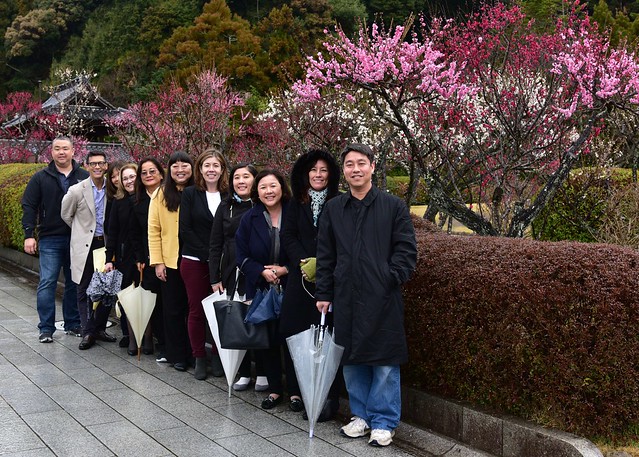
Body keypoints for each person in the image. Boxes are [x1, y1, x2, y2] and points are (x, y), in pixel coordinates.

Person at [315, 143, 417, 447]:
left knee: (384, 360)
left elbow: (406, 250)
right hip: (345, 295)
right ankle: (360, 415)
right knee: (352, 359)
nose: (355, 169)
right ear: (343, 171)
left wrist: (389, 277)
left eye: (361, 163)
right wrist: (324, 292)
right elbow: (325, 254)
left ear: (372, 167)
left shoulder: (393, 206)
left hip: (382, 296)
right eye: (349, 164)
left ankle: (384, 421)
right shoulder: (334, 208)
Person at [281, 149, 342, 418]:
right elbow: (288, 236)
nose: (318, 175)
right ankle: (303, 392)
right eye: (313, 170)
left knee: (328, 337)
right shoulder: (296, 203)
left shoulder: (340, 201)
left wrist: (323, 264)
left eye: (324, 170)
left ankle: (329, 398)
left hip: (331, 279)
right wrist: (303, 262)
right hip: (301, 279)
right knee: (298, 334)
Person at [21, 136, 89, 343]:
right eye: (57, 149)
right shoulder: (40, 177)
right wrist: (28, 235)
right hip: (50, 238)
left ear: (73, 151)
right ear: (51, 152)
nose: (61, 152)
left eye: (65, 149)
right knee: (47, 282)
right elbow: (29, 206)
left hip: (77, 239)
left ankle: (73, 323)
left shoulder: (84, 176)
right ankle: (46, 328)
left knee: (74, 282)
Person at [208, 163, 267, 391]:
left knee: (258, 318)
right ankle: (243, 371)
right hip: (231, 270)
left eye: (246, 177)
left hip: (257, 268)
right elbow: (215, 244)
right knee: (237, 320)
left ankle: (261, 370)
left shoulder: (262, 205)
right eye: (236, 177)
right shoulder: (226, 206)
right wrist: (215, 277)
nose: (241, 181)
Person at [236, 169, 291, 410]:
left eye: (273, 186)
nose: (268, 191)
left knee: (290, 339)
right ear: (257, 191)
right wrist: (262, 271)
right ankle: (275, 390)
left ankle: (296, 392)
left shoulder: (295, 213)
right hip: (260, 288)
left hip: (292, 286)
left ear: (282, 187)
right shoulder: (251, 217)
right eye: (263, 187)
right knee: (266, 340)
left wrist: (285, 269)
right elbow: (241, 255)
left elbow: (307, 248)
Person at [179, 149, 228, 380]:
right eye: (207, 165)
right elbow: (185, 229)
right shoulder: (190, 194)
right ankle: (199, 355)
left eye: (216, 165)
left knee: (219, 311)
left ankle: (218, 355)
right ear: (200, 169)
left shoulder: (229, 195)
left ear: (222, 170)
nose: (211, 169)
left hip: (223, 264)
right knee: (196, 310)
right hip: (195, 261)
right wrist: (209, 255)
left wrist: (217, 259)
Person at [61, 151, 118, 350]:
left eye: (100, 163)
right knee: (84, 287)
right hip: (85, 245)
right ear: (86, 165)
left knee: (107, 288)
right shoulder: (77, 190)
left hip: (106, 245)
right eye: (92, 163)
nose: (97, 167)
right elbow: (66, 215)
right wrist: (81, 232)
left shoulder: (113, 189)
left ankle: (99, 328)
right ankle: (87, 332)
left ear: (106, 165)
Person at [148, 151, 194, 371]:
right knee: (173, 310)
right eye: (174, 166)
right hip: (170, 260)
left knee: (194, 310)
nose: (180, 169)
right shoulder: (160, 194)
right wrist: (158, 261)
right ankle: (178, 355)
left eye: (184, 165)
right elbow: (153, 230)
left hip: (195, 259)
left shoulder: (199, 192)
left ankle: (196, 353)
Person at [104, 163, 144, 356]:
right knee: (126, 296)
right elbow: (112, 232)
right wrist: (108, 258)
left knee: (145, 295)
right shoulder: (118, 202)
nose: (129, 181)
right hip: (123, 256)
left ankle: (144, 336)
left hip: (144, 255)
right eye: (125, 178)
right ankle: (129, 336)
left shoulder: (146, 198)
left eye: (132, 177)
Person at [130, 157, 166, 362]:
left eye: (152, 171)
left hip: (171, 256)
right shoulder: (136, 201)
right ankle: (161, 342)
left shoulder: (171, 196)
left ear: (161, 173)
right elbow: (134, 233)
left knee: (171, 302)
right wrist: (140, 257)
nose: (148, 175)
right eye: (143, 173)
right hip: (148, 258)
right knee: (155, 303)